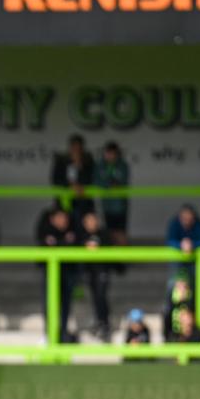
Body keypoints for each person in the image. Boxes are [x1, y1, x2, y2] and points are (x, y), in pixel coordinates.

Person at [35, 205, 78, 343]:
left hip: (68, 272)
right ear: (52, 219)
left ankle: (63, 332)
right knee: (49, 303)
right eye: (58, 218)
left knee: (65, 303)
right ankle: (50, 333)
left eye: (64, 218)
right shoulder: (44, 232)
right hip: (50, 273)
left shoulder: (74, 231)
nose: (62, 221)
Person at [79, 211, 112, 341]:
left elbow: (110, 249)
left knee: (101, 296)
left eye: (94, 220)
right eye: (89, 221)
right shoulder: (82, 235)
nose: (92, 224)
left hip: (102, 271)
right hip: (90, 272)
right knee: (94, 297)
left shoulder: (103, 234)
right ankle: (98, 321)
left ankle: (105, 323)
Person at [50, 134, 95, 225]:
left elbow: (92, 179)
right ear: (70, 148)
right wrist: (70, 186)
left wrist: (79, 166)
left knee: (83, 225)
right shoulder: (61, 161)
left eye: (79, 148)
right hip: (64, 201)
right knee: (65, 226)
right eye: (74, 147)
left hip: (83, 201)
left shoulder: (88, 161)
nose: (76, 150)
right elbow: (55, 180)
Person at [94, 141, 129, 246]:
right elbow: (98, 181)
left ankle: (122, 259)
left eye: (113, 153)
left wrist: (115, 185)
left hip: (120, 205)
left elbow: (123, 181)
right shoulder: (100, 166)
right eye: (108, 153)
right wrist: (109, 185)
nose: (110, 156)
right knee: (110, 232)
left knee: (120, 232)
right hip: (107, 205)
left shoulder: (122, 165)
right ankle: (113, 259)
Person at [166, 205, 200, 284]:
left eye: (189, 219)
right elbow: (170, 241)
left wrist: (192, 244)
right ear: (180, 218)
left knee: (195, 281)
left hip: (194, 260)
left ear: (193, 218)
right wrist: (181, 245)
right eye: (184, 219)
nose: (187, 222)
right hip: (177, 260)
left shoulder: (198, 225)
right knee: (173, 282)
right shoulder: (174, 224)